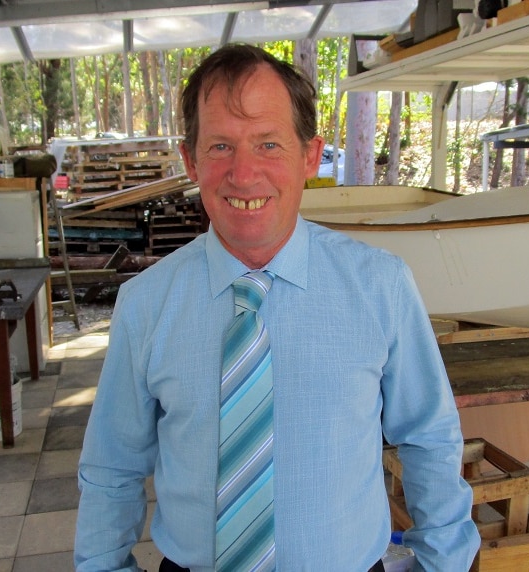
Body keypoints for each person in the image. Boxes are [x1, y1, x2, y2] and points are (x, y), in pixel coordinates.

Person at [74, 44, 480, 572]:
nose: (244, 174)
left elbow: (429, 435)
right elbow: (112, 464)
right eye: (220, 146)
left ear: (310, 156)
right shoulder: (146, 304)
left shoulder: (382, 287)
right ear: (190, 159)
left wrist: (446, 563)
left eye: (268, 144)